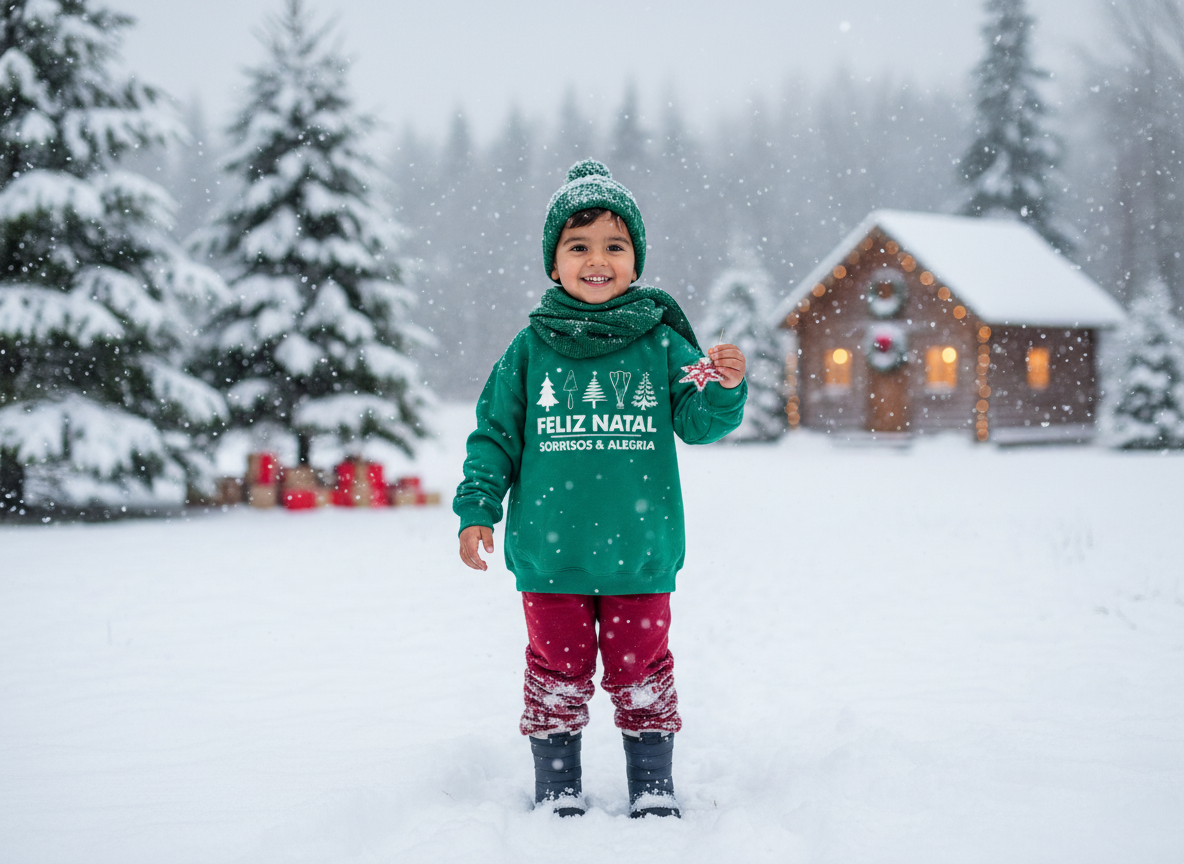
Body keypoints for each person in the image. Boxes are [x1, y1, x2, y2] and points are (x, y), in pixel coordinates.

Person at [453, 159, 747, 818]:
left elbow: (697, 423)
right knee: (555, 669)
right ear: (553, 264)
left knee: (642, 669)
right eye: (578, 245)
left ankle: (653, 784)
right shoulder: (528, 349)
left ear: (635, 262)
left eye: (615, 246)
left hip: (639, 553)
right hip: (551, 557)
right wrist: (477, 508)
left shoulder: (663, 344)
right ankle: (558, 787)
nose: (597, 259)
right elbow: (494, 436)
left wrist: (726, 390)